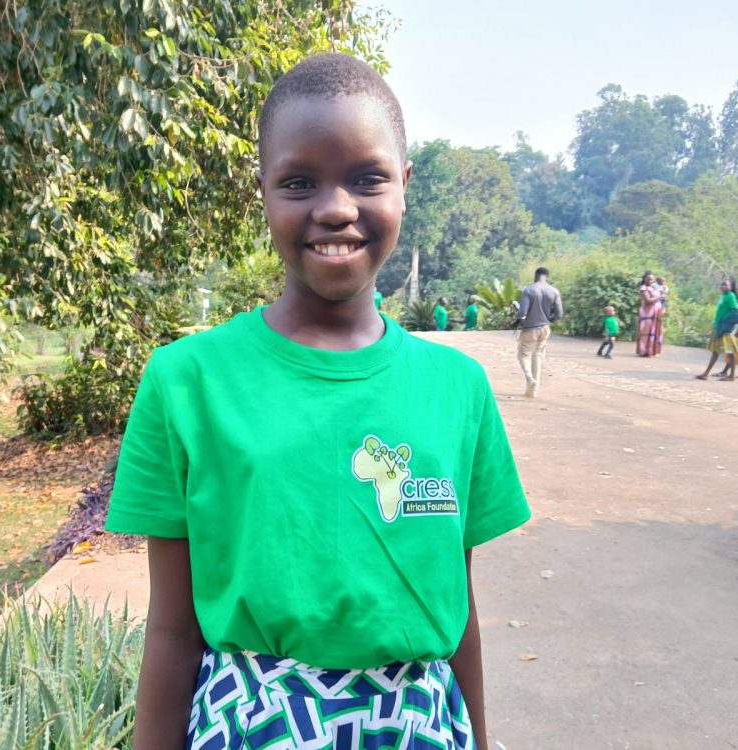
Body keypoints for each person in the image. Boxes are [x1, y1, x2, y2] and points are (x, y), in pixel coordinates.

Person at [104, 53, 530, 750]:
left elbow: (457, 610)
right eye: (299, 182)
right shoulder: (187, 381)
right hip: (250, 728)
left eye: (367, 178)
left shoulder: (458, 389)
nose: (336, 208)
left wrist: (482, 741)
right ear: (263, 192)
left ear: (405, 186)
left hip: (420, 730)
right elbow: (173, 631)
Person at [516, 266, 563, 398]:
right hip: (545, 329)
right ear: (546, 276)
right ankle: (533, 391)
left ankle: (530, 379)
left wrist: (518, 318)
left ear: (536, 276)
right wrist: (548, 320)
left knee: (524, 355)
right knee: (537, 356)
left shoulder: (529, 290)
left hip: (530, 328)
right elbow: (559, 314)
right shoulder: (554, 291)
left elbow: (522, 312)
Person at [696, 277, 738, 381]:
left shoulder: (730, 296)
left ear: (731, 287)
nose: (723, 286)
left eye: (725, 284)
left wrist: (725, 323)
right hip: (718, 326)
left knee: (730, 352)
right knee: (716, 351)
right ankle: (706, 373)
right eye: (722, 284)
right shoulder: (724, 296)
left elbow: (737, 313)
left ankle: (732, 375)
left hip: (725, 329)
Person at [636, 271, 665, 357]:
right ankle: (644, 351)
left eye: (651, 279)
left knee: (655, 331)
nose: (650, 281)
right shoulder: (643, 288)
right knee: (646, 332)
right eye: (648, 279)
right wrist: (658, 297)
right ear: (644, 279)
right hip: (647, 314)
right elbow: (648, 300)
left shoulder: (654, 288)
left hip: (655, 314)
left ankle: (652, 351)